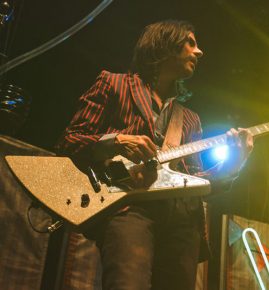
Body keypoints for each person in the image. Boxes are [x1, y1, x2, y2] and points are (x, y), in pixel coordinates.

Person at [55, 20, 253, 290]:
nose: (200, 52)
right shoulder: (113, 84)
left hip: (183, 221)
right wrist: (118, 141)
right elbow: (69, 141)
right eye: (191, 43)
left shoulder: (189, 119)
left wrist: (234, 164)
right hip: (129, 209)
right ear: (165, 43)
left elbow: (195, 181)